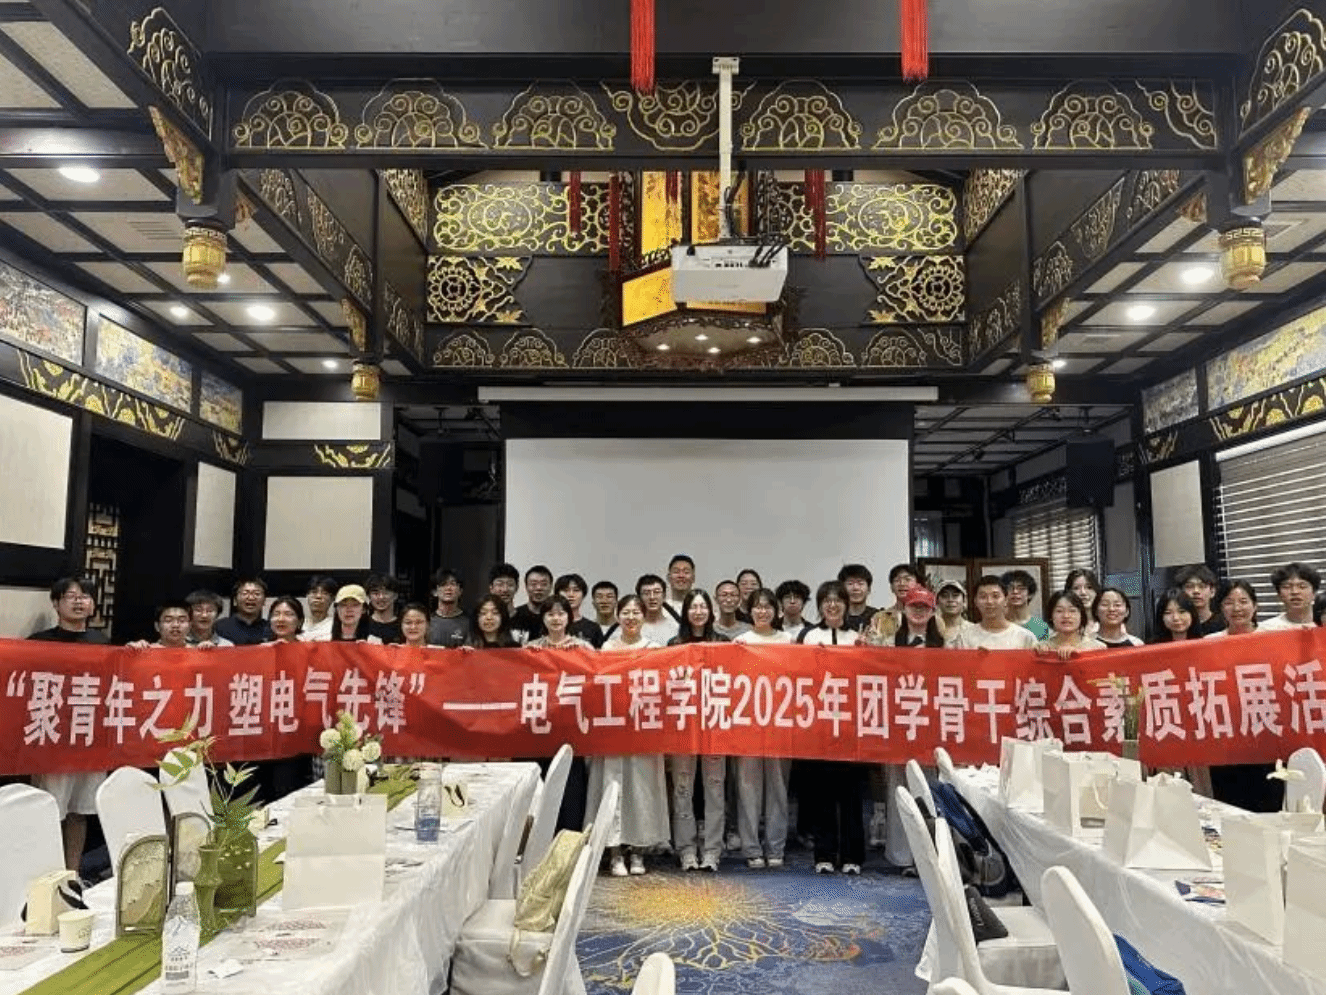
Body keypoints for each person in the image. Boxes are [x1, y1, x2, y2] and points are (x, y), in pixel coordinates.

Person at [29, 577, 108, 871]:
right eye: (70, 596)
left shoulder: (104, 643)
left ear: (93, 605)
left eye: (85, 596)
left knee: (79, 811)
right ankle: (47, 874)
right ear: (56, 603)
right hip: (52, 738)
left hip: (88, 738)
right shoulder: (38, 643)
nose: (78, 601)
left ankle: (72, 873)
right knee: (50, 809)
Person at [589, 595, 670, 877]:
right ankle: (614, 853)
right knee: (612, 788)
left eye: (636, 612)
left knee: (642, 792)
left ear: (644, 617)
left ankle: (638, 851)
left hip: (643, 731)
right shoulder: (607, 648)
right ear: (618, 616)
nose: (631, 617)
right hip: (613, 731)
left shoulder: (654, 649)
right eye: (626, 612)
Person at [802, 581, 865, 874]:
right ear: (819, 606)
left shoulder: (858, 637)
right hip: (820, 724)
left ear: (846, 604)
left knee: (851, 794)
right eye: (826, 600)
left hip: (852, 725)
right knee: (822, 793)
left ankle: (853, 856)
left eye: (837, 599)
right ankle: (824, 854)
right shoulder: (809, 636)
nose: (832, 605)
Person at [667, 589, 728, 871]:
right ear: (686, 612)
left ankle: (713, 850)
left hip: (715, 725)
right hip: (684, 727)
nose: (699, 612)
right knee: (683, 789)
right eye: (693, 607)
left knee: (715, 789)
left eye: (703, 607)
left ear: (710, 612)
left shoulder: (723, 643)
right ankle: (687, 849)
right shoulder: (675, 644)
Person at [733, 591, 793, 869]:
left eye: (768, 607)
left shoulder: (788, 641)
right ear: (749, 611)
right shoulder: (740, 641)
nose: (762, 611)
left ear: (777, 611)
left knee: (778, 787)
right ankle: (751, 847)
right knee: (748, 788)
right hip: (747, 724)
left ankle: (775, 846)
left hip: (780, 723)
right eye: (757, 607)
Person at [952, 576, 1038, 650]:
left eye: (995, 596)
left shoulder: (1025, 637)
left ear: (1006, 600)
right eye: (983, 597)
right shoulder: (964, 637)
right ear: (975, 602)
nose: (989, 601)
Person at [1036, 590, 1106, 660]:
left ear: (1081, 615)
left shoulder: (1098, 648)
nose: (1066, 616)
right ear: (1051, 616)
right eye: (1059, 611)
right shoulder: (1041, 648)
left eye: (1072, 611)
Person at [865, 562, 922, 645]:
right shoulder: (880, 618)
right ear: (891, 587)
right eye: (897, 580)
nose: (902, 583)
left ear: (918, 586)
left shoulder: (928, 618)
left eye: (907, 579)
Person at [1260, 562, 1321, 630]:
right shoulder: (1266, 629)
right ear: (1279, 594)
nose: (1295, 592)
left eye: (1302, 586)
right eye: (1287, 587)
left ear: (1314, 593)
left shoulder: (1323, 626)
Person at [215, 576, 273, 645]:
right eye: (245, 593)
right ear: (235, 600)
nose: (251, 598)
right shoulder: (219, 627)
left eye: (257, 594)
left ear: (264, 601)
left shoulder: (271, 628)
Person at [526, 595, 595, 650]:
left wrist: (580, 651)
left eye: (561, 614)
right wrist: (528, 653)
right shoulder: (532, 646)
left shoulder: (583, 646)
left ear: (569, 617)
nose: (556, 618)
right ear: (543, 618)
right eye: (550, 614)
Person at [1175, 564, 1225, 636]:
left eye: (1202, 586)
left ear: (1212, 592)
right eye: (1189, 586)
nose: (1196, 591)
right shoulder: (1177, 625)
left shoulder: (1224, 623)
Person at [555, 573, 603, 647]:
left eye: (576, 590)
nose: (571, 595)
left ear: (583, 595)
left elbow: (599, 653)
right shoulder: (549, 624)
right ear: (557, 594)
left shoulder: (593, 628)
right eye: (566, 590)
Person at [427, 567, 470, 647]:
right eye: (443, 584)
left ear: (460, 591)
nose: (448, 588)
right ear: (435, 592)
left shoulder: (469, 622)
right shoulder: (428, 622)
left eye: (453, 584)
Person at [127, 600, 195, 649]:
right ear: (157, 626)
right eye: (168, 620)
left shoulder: (196, 652)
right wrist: (131, 651)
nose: (175, 625)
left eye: (182, 621)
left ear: (190, 626)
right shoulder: (145, 649)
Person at [1003, 569, 1050, 640]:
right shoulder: (998, 624)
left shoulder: (1041, 626)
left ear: (1030, 594)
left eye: (1021, 588)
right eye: (1010, 588)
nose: (1015, 592)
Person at [511, 565, 554, 643]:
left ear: (551, 587)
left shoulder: (557, 617)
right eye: (533, 584)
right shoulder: (514, 616)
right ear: (526, 587)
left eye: (544, 584)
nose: (538, 588)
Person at [635, 574, 679, 645]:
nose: (652, 597)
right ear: (639, 598)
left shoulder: (676, 627)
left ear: (664, 596)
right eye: (646, 593)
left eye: (656, 592)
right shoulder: (632, 628)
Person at [838, 563, 877, 631]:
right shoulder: (835, 618)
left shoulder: (877, 616)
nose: (855, 588)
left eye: (860, 583)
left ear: (869, 589)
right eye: (850, 583)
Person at [365, 574, 402, 644]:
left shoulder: (404, 625)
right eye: (376, 593)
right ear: (369, 596)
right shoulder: (363, 624)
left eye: (386, 593)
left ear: (395, 595)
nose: (381, 597)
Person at [1064, 569, 1102, 636]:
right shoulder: (1063, 625)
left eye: (1089, 587)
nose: (1083, 593)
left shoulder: (1106, 623)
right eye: (1076, 588)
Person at [302, 576, 338, 641]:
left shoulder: (336, 627)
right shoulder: (298, 624)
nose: (318, 596)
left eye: (324, 593)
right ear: (307, 596)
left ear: (332, 599)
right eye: (314, 592)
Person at [935, 580, 970, 646]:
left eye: (955, 595)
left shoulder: (973, 630)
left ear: (964, 601)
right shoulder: (930, 630)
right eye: (945, 596)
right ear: (937, 602)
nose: (950, 600)